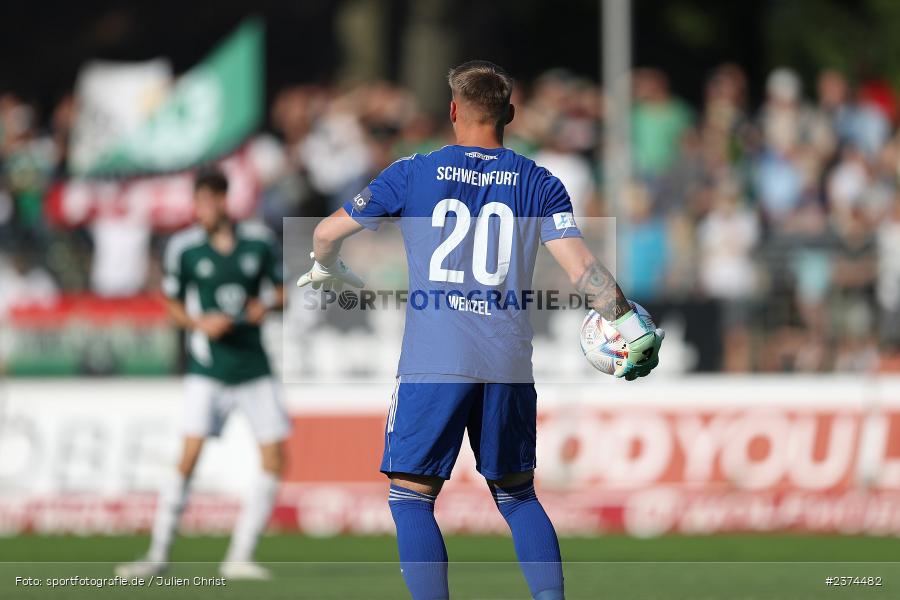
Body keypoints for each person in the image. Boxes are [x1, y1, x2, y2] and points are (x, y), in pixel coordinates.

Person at [297, 60, 663, 600]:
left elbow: (328, 232)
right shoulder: (539, 182)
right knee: (517, 497)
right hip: (507, 360)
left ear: (451, 112)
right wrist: (627, 322)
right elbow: (582, 270)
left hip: (434, 359)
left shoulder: (412, 172)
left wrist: (328, 266)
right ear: (510, 114)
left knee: (411, 497)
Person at [116, 167, 289, 581]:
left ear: (224, 201)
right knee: (189, 455)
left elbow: (284, 291)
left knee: (275, 457)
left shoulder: (258, 242)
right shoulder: (184, 249)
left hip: (253, 366)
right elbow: (172, 302)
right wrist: (199, 323)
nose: (204, 209)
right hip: (207, 367)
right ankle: (157, 556)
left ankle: (239, 557)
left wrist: (265, 305)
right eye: (199, 202)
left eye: (211, 200)